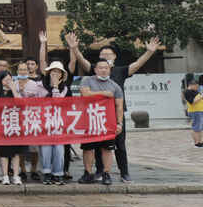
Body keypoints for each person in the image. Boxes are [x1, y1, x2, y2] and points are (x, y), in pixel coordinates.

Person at [69, 33, 160, 182]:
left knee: (119, 145)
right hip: (96, 114)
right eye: (102, 55)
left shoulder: (120, 71)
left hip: (115, 114)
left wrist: (149, 52)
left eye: (108, 55)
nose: (105, 58)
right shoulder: (95, 71)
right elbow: (82, 61)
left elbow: (138, 64)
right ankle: (100, 172)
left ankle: (124, 173)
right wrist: (74, 48)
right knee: (98, 144)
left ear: (115, 57)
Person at [78, 59, 125, 186]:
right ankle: (88, 173)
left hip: (107, 122)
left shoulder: (115, 86)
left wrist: (119, 123)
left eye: (106, 68)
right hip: (89, 120)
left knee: (107, 149)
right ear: (95, 70)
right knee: (88, 148)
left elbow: (119, 106)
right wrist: (104, 93)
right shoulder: (87, 80)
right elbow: (85, 94)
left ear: (110, 70)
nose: (103, 70)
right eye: (100, 67)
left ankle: (106, 173)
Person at [12, 61, 47, 180]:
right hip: (18, 118)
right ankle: (22, 170)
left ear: (28, 71)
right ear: (17, 71)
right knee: (20, 146)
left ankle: (33, 170)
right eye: (20, 70)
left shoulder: (34, 84)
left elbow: (39, 99)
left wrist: (24, 94)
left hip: (32, 118)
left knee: (34, 147)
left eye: (25, 70)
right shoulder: (14, 84)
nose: (23, 72)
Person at [40, 61, 70, 185]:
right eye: (53, 72)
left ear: (62, 75)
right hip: (44, 122)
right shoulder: (41, 87)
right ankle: (46, 173)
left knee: (59, 150)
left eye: (58, 72)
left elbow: (58, 102)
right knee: (46, 149)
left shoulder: (65, 89)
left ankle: (58, 174)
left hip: (59, 123)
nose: (55, 74)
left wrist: (56, 87)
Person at [0, 69, 25, 185]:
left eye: (10, 79)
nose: (8, 82)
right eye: (5, 80)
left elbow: (20, 104)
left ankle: (16, 176)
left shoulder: (15, 91)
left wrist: (13, 88)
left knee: (16, 153)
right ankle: (5, 176)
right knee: (4, 153)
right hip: (3, 126)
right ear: (0, 81)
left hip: (15, 125)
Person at [183, 78, 203, 147]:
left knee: (199, 127)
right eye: (196, 86)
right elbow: (192, 102)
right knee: (196, 127)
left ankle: (200, 142)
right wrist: (201, 96)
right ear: (192, 85)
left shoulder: (195, 91)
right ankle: (197, 143)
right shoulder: (187, 92)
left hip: (199, 111)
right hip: (195, 111)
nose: (197, 88)